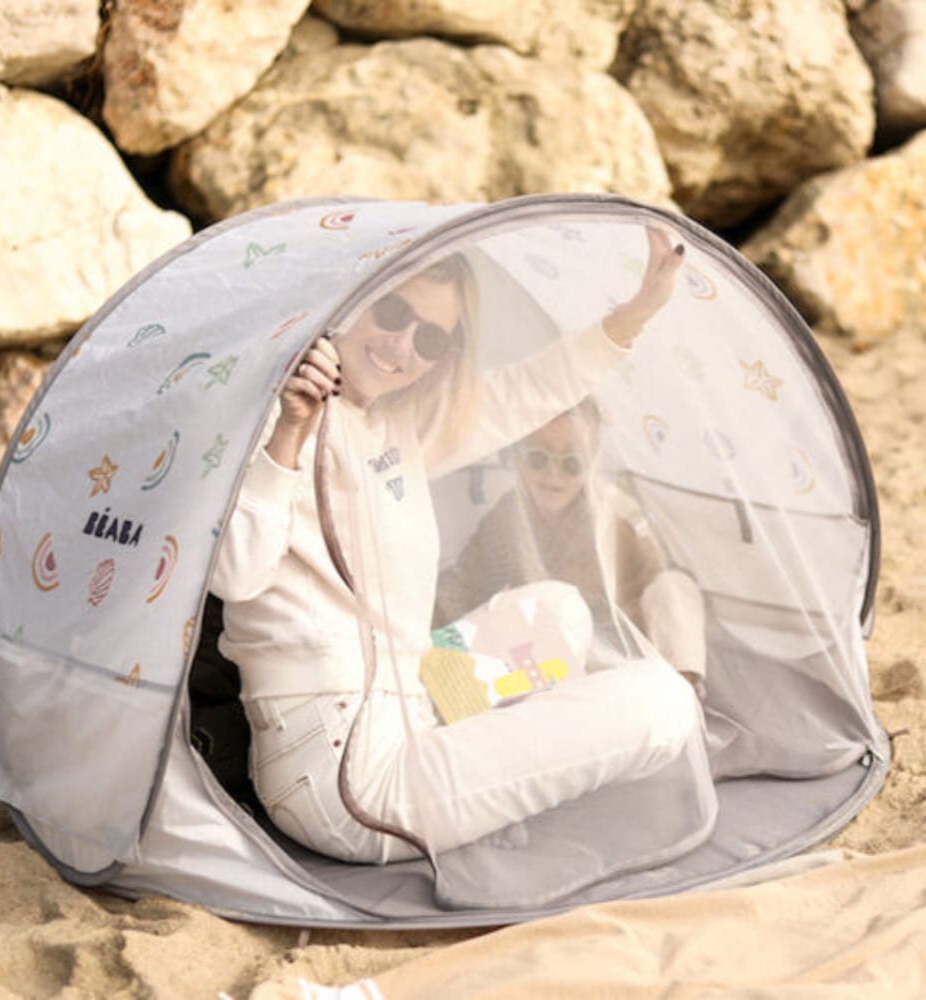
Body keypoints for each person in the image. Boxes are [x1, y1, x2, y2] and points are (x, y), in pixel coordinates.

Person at [210, 228, 715, 865]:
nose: (401, 346)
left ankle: (483, 765)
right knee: (663, 703)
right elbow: (235, 574)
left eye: (429, 339)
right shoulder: (281, 408)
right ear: (356, 301)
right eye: (393, 313)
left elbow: (530, 390)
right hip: (343, 779)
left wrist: (638, 310)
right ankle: (490, 775)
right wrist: (288, 429)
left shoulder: (395, 424)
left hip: (409, 701)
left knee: (558, 613)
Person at [433, 398, 708, 697]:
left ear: (590, 464)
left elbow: (659, 584)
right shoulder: (508, 515)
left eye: (571, 465)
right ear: (517, 458)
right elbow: (464, 584)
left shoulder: (614, 516)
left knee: (675, 587)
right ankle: (448, 689)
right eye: (537, 459)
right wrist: (425, 633)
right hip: (547, 659)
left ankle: (683, 693)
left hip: (619, 657)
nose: (553, 475)